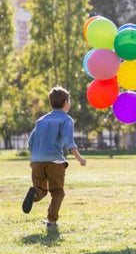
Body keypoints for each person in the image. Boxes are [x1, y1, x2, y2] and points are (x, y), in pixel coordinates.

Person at [22, 86, 87, 230]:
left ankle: (34, 194)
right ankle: (51, 222)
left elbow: (31, 142)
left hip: (37, 161)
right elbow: (69, 142)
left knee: (41, 190)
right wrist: (80, 158)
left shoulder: (41, 120)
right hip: (54, 161)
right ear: (66, 102)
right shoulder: (66, 119)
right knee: (57, 192)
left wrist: (31, 160)